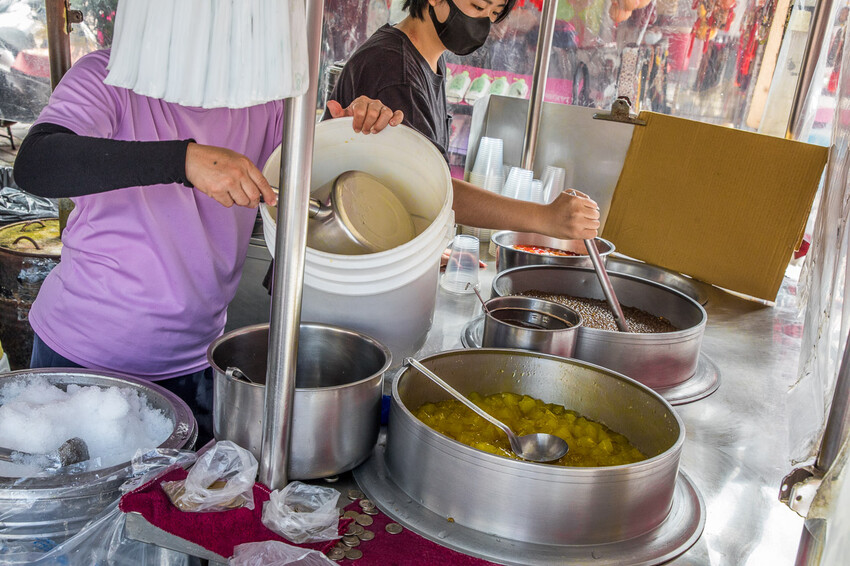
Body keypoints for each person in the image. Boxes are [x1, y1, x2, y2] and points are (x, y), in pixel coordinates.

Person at [12, 48, 401, 446]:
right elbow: (37, 162)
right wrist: (183, 161)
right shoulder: (111, 73)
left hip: (195, 361)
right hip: (83, 362)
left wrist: (349, 133)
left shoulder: (267, 97)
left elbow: (305, 191)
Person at [325, 0, 601, 240]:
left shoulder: (427, 57)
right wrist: (545, 218)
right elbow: (432, 188)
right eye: (478, 7)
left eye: (494, 13)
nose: (484, 23)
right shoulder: (395, 70)